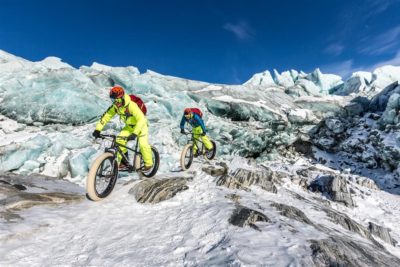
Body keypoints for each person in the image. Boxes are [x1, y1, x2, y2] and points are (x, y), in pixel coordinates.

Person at [92, 86, 153, 170]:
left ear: (122, 98)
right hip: (129, 127)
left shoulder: (131, 105)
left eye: (116, 100)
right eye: (113, 100)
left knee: (143, 145)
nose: (115, 103)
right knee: (119, 141)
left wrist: (135, 133)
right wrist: (98, 129)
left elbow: (141, 119)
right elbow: (106, 117)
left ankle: (149, 164)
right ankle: (124, 162)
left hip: (141, 126)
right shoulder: (115, 107)